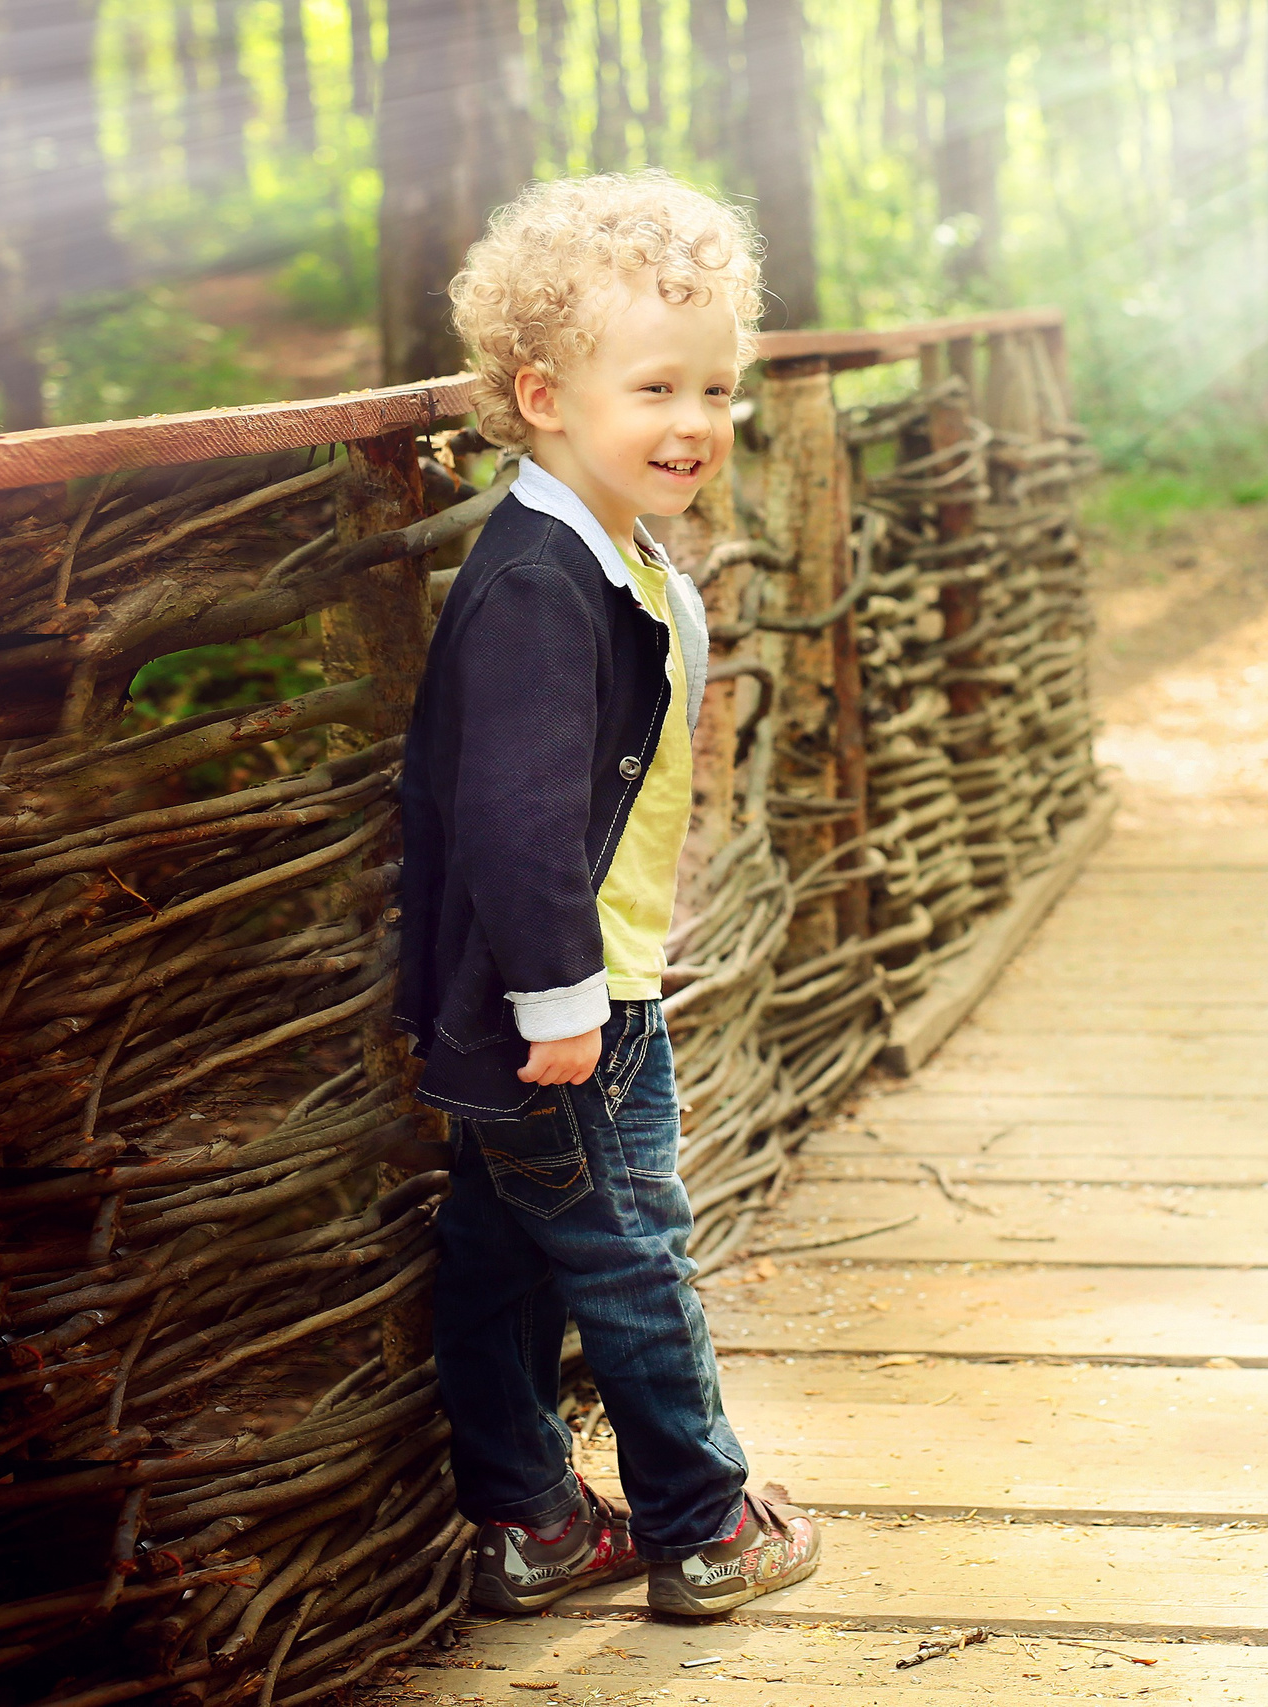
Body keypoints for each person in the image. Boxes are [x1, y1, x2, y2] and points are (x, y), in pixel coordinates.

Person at [393, 171, 819, 1619]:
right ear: (544, 397)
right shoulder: (538, 585)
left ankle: (532, 1522)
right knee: (634, 1253)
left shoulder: (605, 549)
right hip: (569, 1009)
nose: (694, 421)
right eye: (654, 388)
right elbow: (512, 821)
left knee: (501, 1261)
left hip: (543, 1000)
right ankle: (703, 1524)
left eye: (717, 388)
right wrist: (566, 1000)